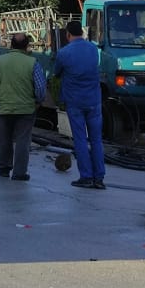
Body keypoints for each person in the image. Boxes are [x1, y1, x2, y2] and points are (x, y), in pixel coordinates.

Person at [53, 19, 106, 189]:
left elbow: (56, 73)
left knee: (80, 139)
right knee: (97, 140)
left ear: (67, 34)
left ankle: (86, 176)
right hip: (94, 101)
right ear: (82, 34)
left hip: (75, 102)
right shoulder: (93, 49)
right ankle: (99, 178)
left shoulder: (64, 53)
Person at [0, 32, 46, 181]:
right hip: (26, 109)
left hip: (5, 107)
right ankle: (19, 173)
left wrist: (0, 95)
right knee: (22, 141)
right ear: (26, 46)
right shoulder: (32, 63)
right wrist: (38, 102)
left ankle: (4, 168)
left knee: (4, 139)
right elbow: (40, 89)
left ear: (11, 45)